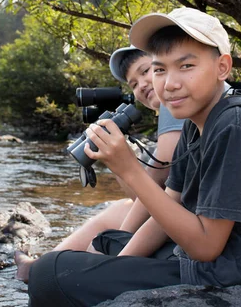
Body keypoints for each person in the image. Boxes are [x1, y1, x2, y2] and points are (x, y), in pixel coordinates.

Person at [19, 7, 241, 307]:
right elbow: (169, 205)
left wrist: (129, 169)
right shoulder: (199, 122)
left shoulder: (234, 126)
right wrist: (114, 269)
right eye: (159, 69)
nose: (169, 83)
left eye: (186, 66)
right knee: (107, 242)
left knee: (49, 276)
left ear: (222, 67)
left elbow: (206, 246)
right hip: (222, 258)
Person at [14, 45, 184, 279]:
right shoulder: (175, 110)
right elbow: (142, 195)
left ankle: (44, 268)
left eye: (146, 71)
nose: (142, 84)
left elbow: (157, 178)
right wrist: (113, 158)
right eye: (133, 83)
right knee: (122, 207)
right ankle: (42, 264)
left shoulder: (172, 107)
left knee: (115, 221)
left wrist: (116, 243)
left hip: (190, 235)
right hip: (187, 220)